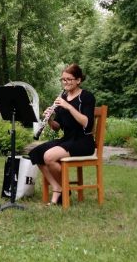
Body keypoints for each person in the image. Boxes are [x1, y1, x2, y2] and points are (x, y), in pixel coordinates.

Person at [29, 63, 96, 206]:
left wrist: (68, 107)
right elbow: (56, 128)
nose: (65, 83)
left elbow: (87, 123)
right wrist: (49, 119)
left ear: (78, 80)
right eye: (63, 80)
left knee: (49, 156)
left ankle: (61, 190)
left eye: (69, 79)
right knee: (36, 153)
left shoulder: (87, 97)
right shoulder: (62, 97)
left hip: (83, 141)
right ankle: (58, 187)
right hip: (67, 139)